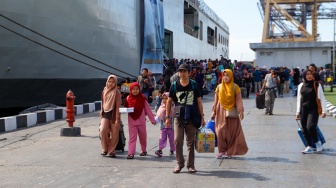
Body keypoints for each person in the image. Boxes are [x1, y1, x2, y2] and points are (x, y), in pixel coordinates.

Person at [165, 63, 206, 173]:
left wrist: (202, 117)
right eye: (180, 71)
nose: (182, 73)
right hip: (178, 116)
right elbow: (169, 101)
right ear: (178, 73)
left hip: (192, 116)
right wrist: (167, 117)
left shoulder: (194, 85)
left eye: (185, 71)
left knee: (190, 142)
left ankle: (190, 165)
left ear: (189, 73)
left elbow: (199, 101)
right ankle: (179, 163)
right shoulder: (174, 85)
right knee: (177, 140)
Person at [210, 69, 248, 159]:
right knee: (219, 131)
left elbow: (239, 100)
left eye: (227, 75)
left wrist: (240, 110)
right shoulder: (219, 87)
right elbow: (215, 101)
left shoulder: (235, 87)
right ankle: (222, 150)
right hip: (220, 110)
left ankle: (230, 151)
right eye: (224, 75)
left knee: (231, 133)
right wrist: (213, 112)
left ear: (231, 76)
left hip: (232, 112)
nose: (225, 77)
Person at [295, 70, 326, 154]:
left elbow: (322, 98)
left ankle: (317, 143)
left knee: (311, 126)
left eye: (311, 74)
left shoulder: (316, 85)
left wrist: (324, 111)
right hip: (303, 109)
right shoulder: (301, 85)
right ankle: (309, 146)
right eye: (307, 74)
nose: (309, 76)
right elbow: (299, 99)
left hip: (313, 109)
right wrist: (297, 112)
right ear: (304, 76)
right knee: (304, 128)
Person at [124, 82, 156, 159]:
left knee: (143, 137)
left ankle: (143, 150)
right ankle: (131, 153)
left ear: (139, 89)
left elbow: (148, 110)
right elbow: (125, 108)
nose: (135, 91)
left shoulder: (142, 98)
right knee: (132, 138)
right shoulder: (128, 98)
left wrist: (152, 120)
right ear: (131, 90)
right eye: (133, 89)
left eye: (137, 89)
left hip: (141, 121)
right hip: (132, 122)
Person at [99, 75, 122, 158]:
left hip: (114, 114)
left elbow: (118, 106)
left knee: (114, 134)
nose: (111, 83)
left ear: (115, 83)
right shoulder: (104, 91)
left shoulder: (117, 93)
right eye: (109, 81)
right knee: (103, 130)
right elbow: (103, 102)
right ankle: (104, 149)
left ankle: (111, 151)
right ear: (107, 81)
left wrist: (117, 118)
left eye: (113, 82)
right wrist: (101, 110)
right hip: (105, 113)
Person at [154, 92, 175, 157]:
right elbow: (158, 116)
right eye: (163, 99)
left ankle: (172, 149)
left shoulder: (173, 107)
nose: (165, 100)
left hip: (171, 128)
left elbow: (176, 116)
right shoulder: (161, 107)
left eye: (167, 98)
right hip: (163, 127)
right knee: (162, 139)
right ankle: (160, 150)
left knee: (172, 139)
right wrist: (154, 121)